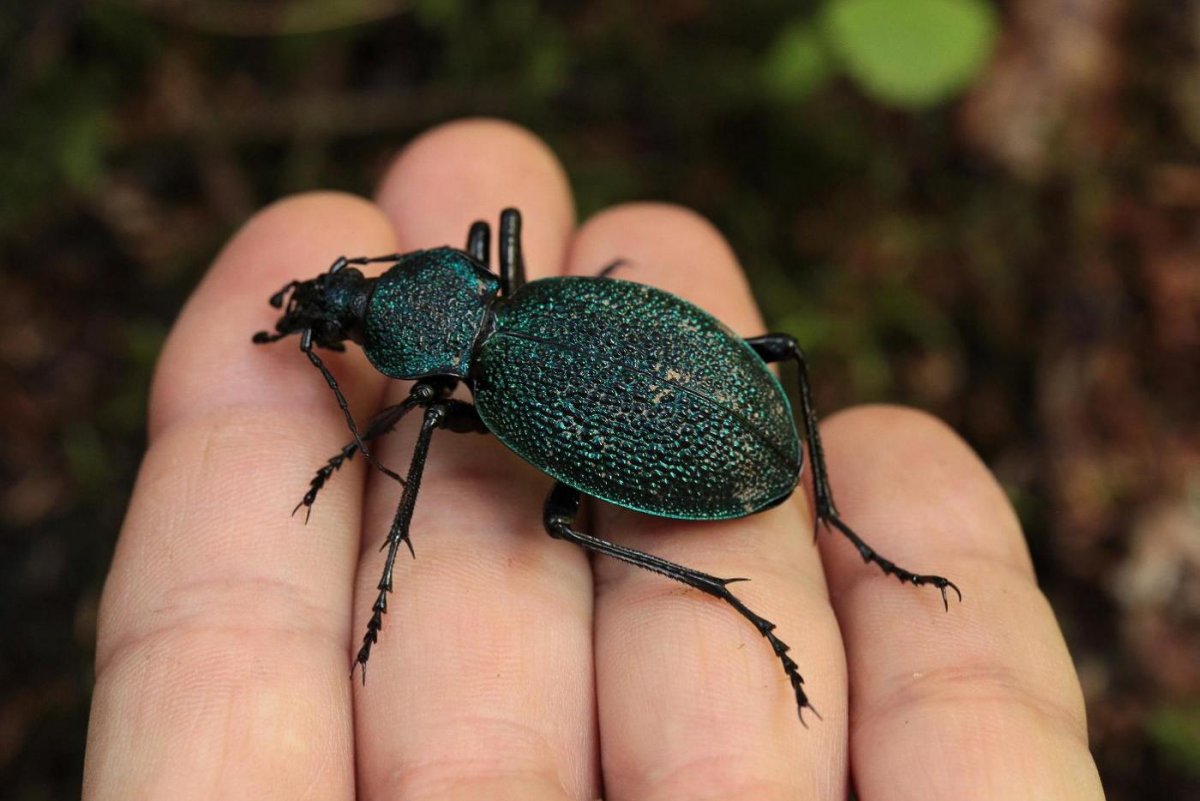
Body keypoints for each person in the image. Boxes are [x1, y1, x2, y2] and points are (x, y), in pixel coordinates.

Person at [82, 119, 1105, 800]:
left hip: (710, 440)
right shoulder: (492, 295)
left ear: (403, 338)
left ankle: (778, 561)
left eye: (347, 312)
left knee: (559, 515)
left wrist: (376, 506)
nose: (340, 308)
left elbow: (421, 413)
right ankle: (785, 554)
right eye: (345, 315)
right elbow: (421, 400)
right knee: (772, 355)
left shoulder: (442, 391)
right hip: (642, 371)